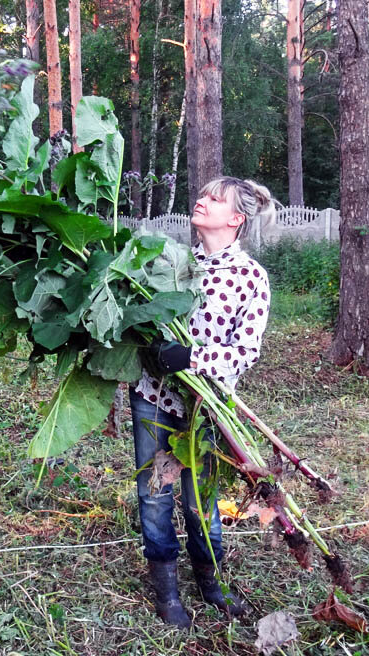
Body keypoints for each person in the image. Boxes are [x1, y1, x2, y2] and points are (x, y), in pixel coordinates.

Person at [131, 177, 276, 628]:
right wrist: (152, 349)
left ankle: (211, 583)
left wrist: (191, 357)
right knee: (154, 496)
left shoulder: (251, 277)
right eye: (204, 194)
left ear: (236, 219)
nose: (202, 200)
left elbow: (246, 351)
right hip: (155, 400)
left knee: (202, 499)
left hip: (208, 410)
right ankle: (168, 593)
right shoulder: (171, 264)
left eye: (215, 199)